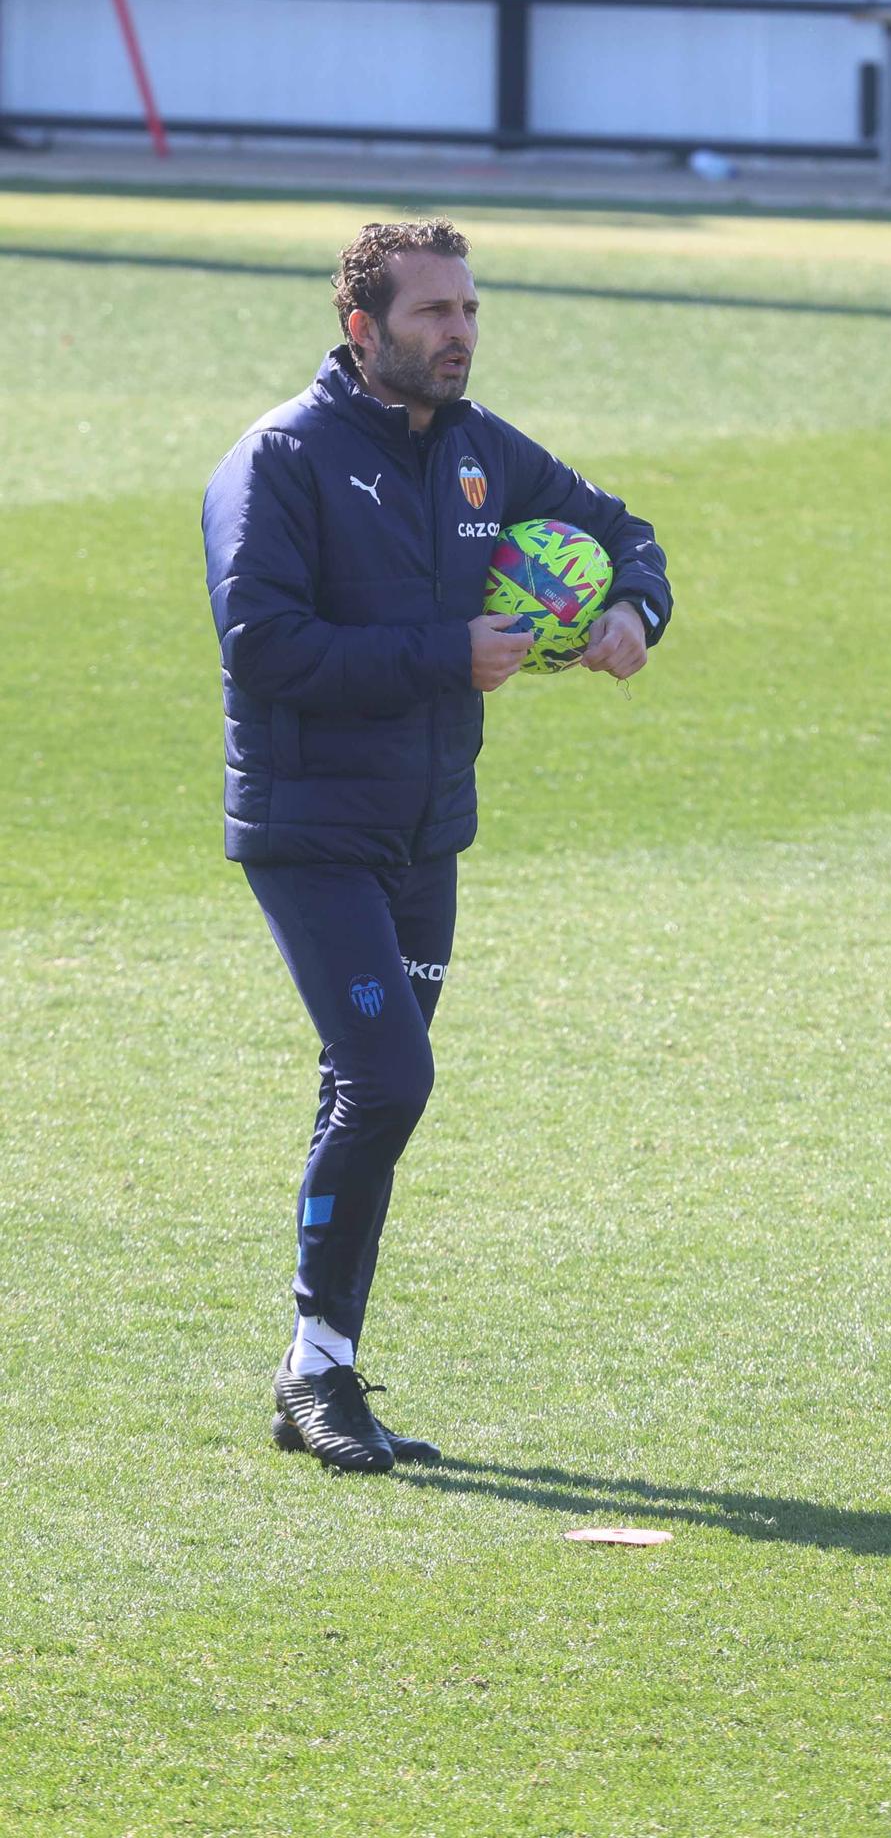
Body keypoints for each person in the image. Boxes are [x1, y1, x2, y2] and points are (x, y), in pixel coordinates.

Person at [202, 218, 672, 1474]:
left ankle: (321, 1365)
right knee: (390, 1080)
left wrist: (632, 609)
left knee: (367, 1084)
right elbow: (262, 647)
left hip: (424, 831)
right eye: (430, 315)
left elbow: (626, 528)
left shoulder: (477, 452)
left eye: (467, 311)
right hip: (310, 828)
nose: (457, 333)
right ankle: (317, 1367)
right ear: (363, 331)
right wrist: (443, 655)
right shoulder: (280, 462)